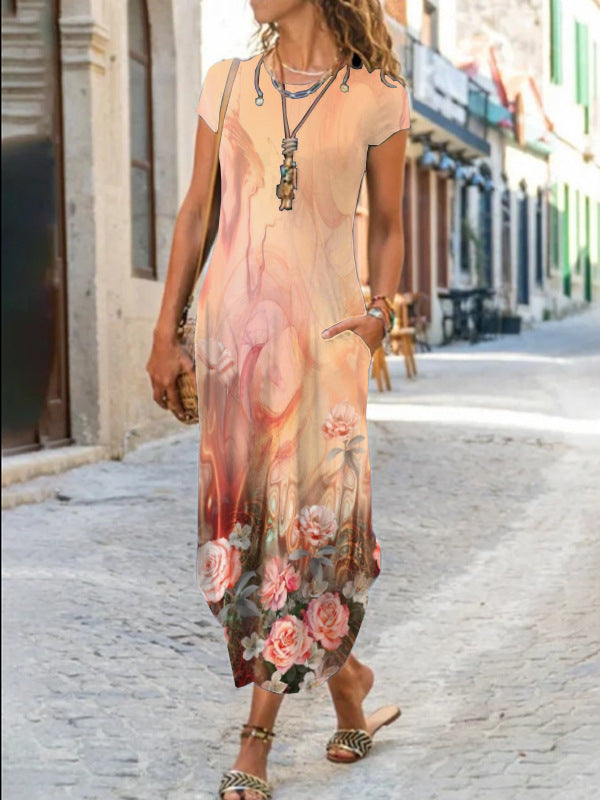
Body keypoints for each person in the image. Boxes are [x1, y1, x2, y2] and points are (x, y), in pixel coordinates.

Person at [146, 1, 410, 797]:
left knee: (304, 537)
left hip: (325, 349)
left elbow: (389, 224)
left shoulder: (377, 98)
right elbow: (196, 212)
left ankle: (255, 743)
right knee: (244, 542)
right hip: (235, 349)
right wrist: (166, 331)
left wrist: (380, 312)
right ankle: (349, 685)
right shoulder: (227, 83)